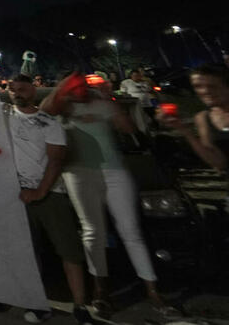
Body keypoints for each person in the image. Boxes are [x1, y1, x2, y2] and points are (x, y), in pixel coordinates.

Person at [41, 73, 176, 318]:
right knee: (93, 231)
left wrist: (109, 102)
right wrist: (62, 90)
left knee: (131, 232)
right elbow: (44, 111)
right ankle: (100, 290)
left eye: (83, 85)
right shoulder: (61, 106)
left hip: (114, 171)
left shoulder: (103, 102)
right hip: (78, 173)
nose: (81, 89)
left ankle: (153, 290)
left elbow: (128, 128)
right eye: (76, 86)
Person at [4, 75, 93, 324]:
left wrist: (41, 191)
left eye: (23, 89)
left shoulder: (49, 122)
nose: (17, 93)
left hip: (50, 194)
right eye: (13, 90)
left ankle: (80, 305)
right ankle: (38, 302)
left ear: (34, 91)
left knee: (68, 250)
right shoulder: (1, 116)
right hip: (17, 195)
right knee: (29, 253)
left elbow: (55, 160)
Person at [159, 64, 229, 173]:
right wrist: (183, 129)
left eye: (212, 86)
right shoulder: (203, 118)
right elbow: (218, 162)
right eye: (198, 86)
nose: (205, 91)